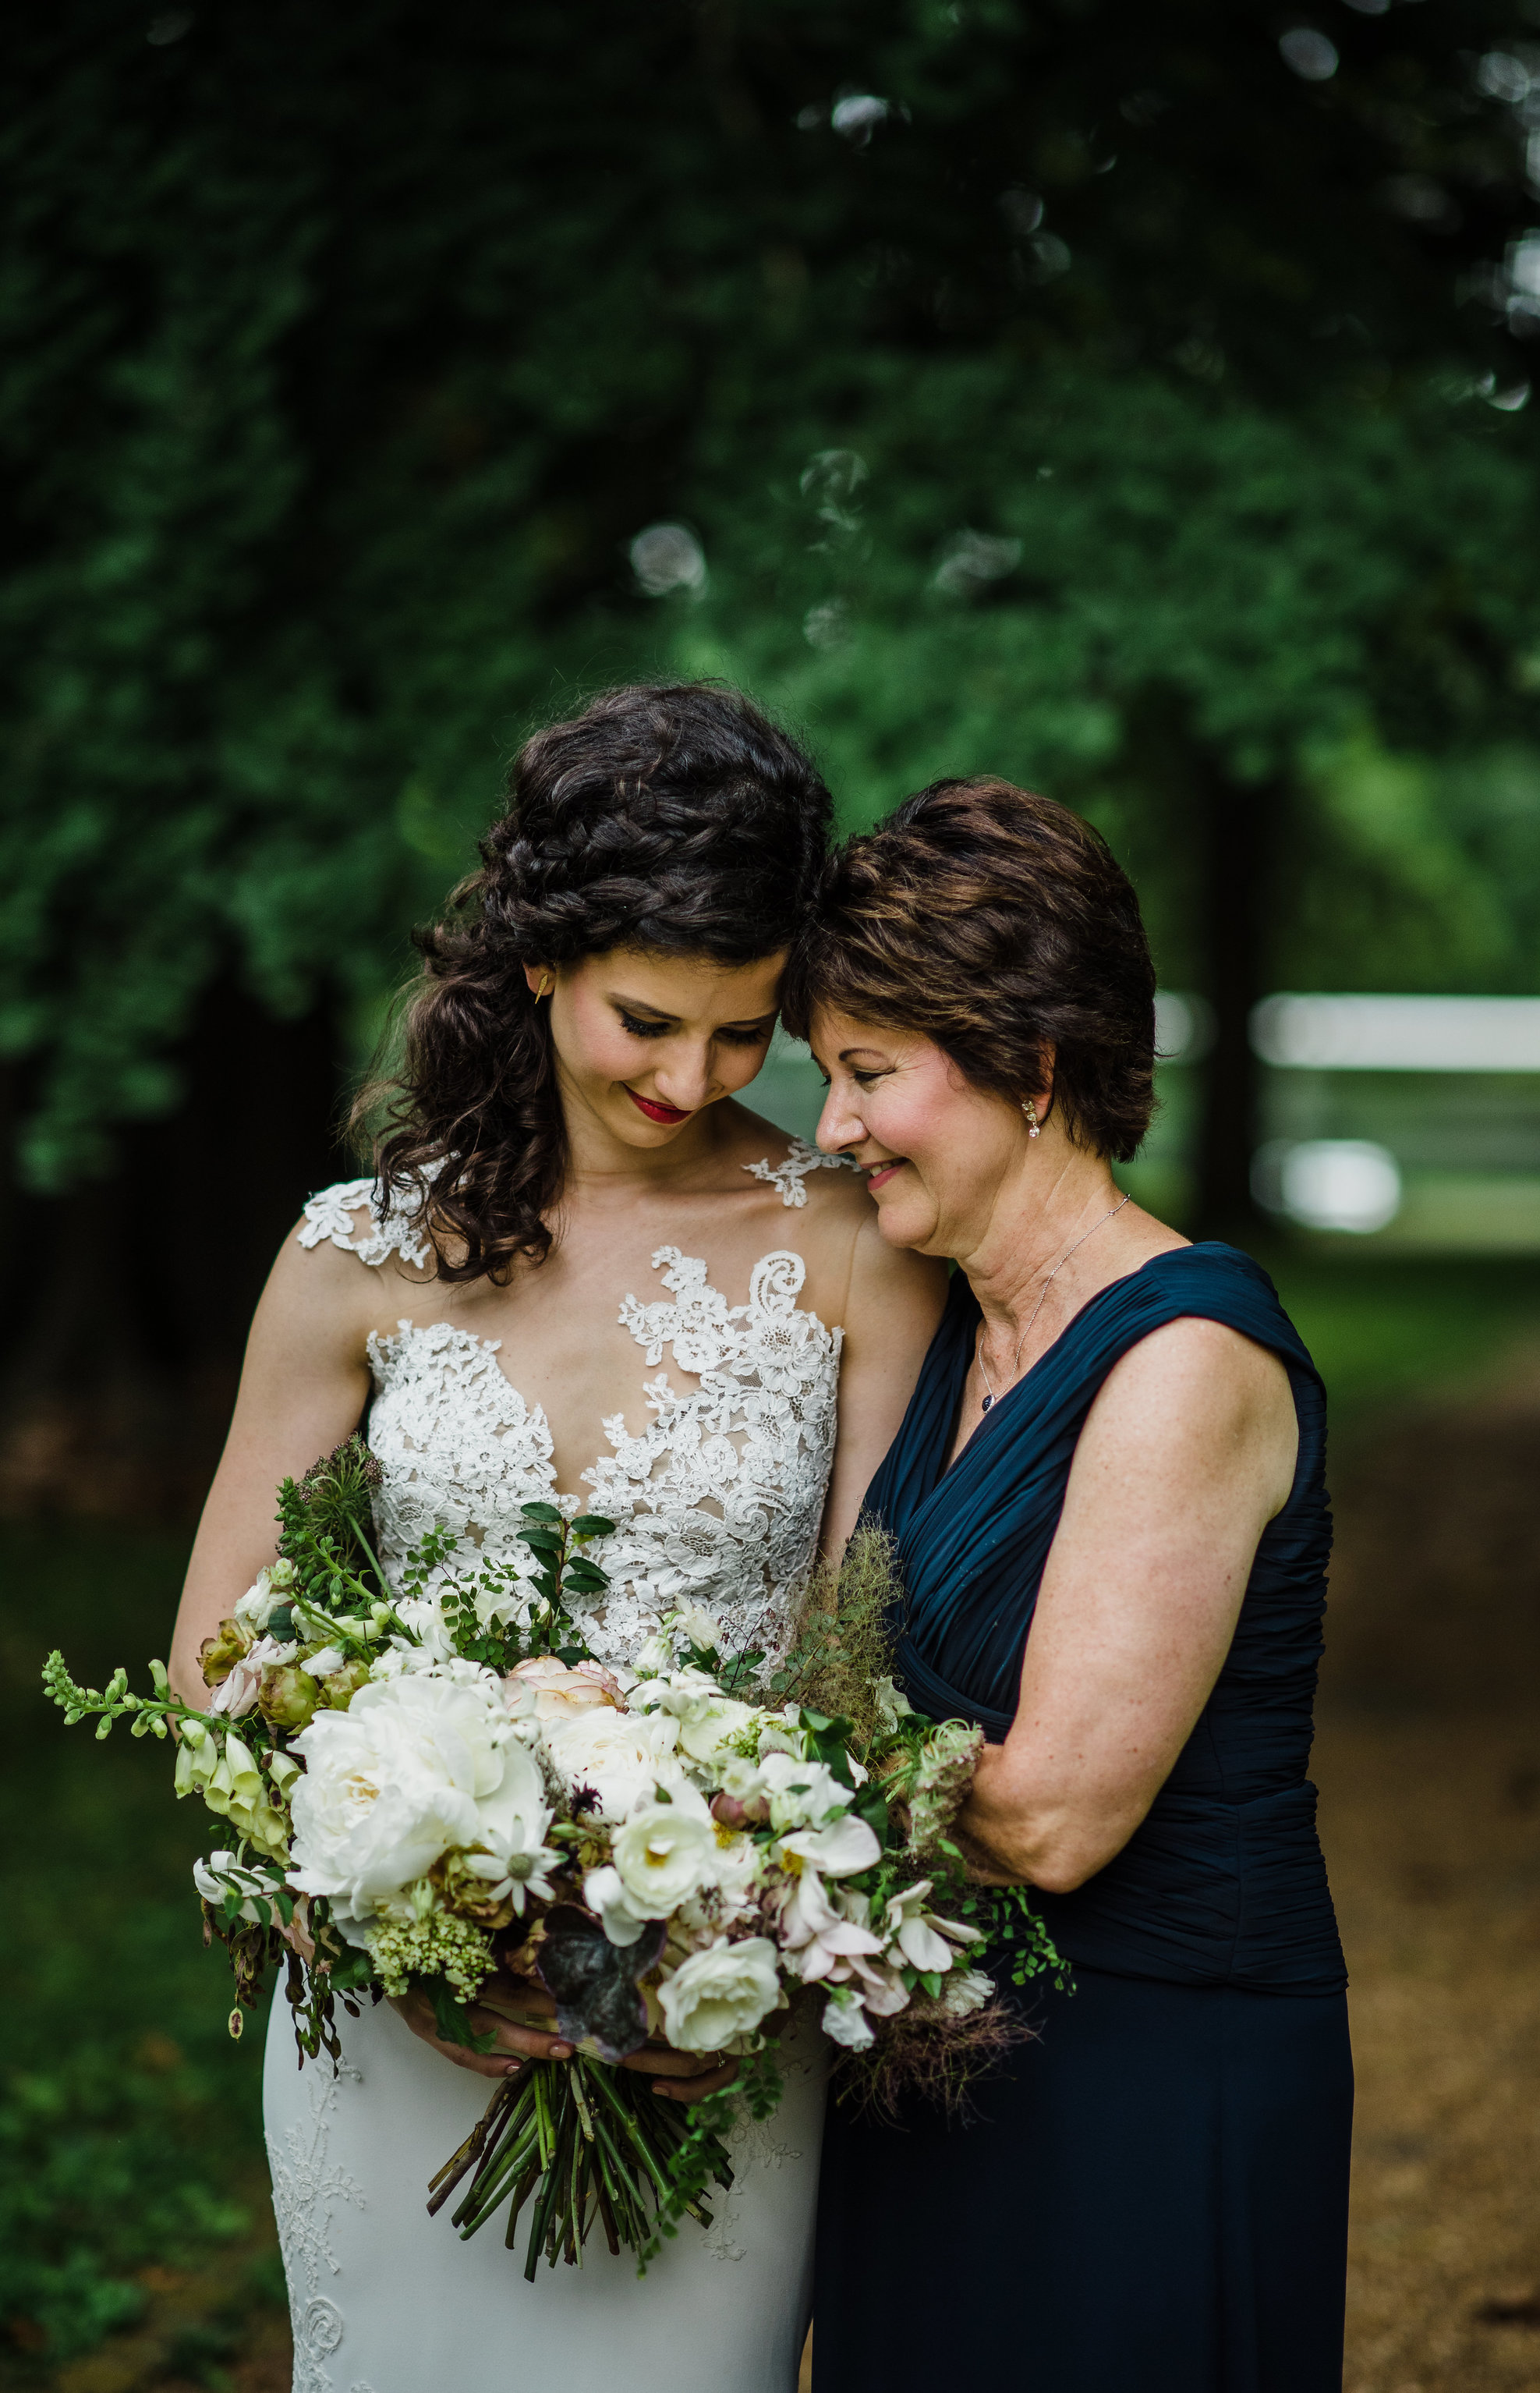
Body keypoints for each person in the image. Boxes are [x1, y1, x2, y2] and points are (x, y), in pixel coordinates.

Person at [167, 684, 946, 2393]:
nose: (694, 1078)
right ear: (537, 957)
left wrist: (730, 1917)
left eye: (747, 1033)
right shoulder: (353, 1251)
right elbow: (213, 1653)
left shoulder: (853, 1247)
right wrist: (392, 1931)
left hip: (709, 2014)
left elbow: (858, 1642)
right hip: (396, 2009)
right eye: (650, 1019)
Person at [786, 777, 1353, 2393]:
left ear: (1028, 1066)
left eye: (869, 1075)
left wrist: (760, 1774)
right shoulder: (950, 1325)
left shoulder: (1185, 1356)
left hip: (1148, 2077)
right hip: (934, 2063)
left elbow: (1050, 1817)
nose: (833, 1127)